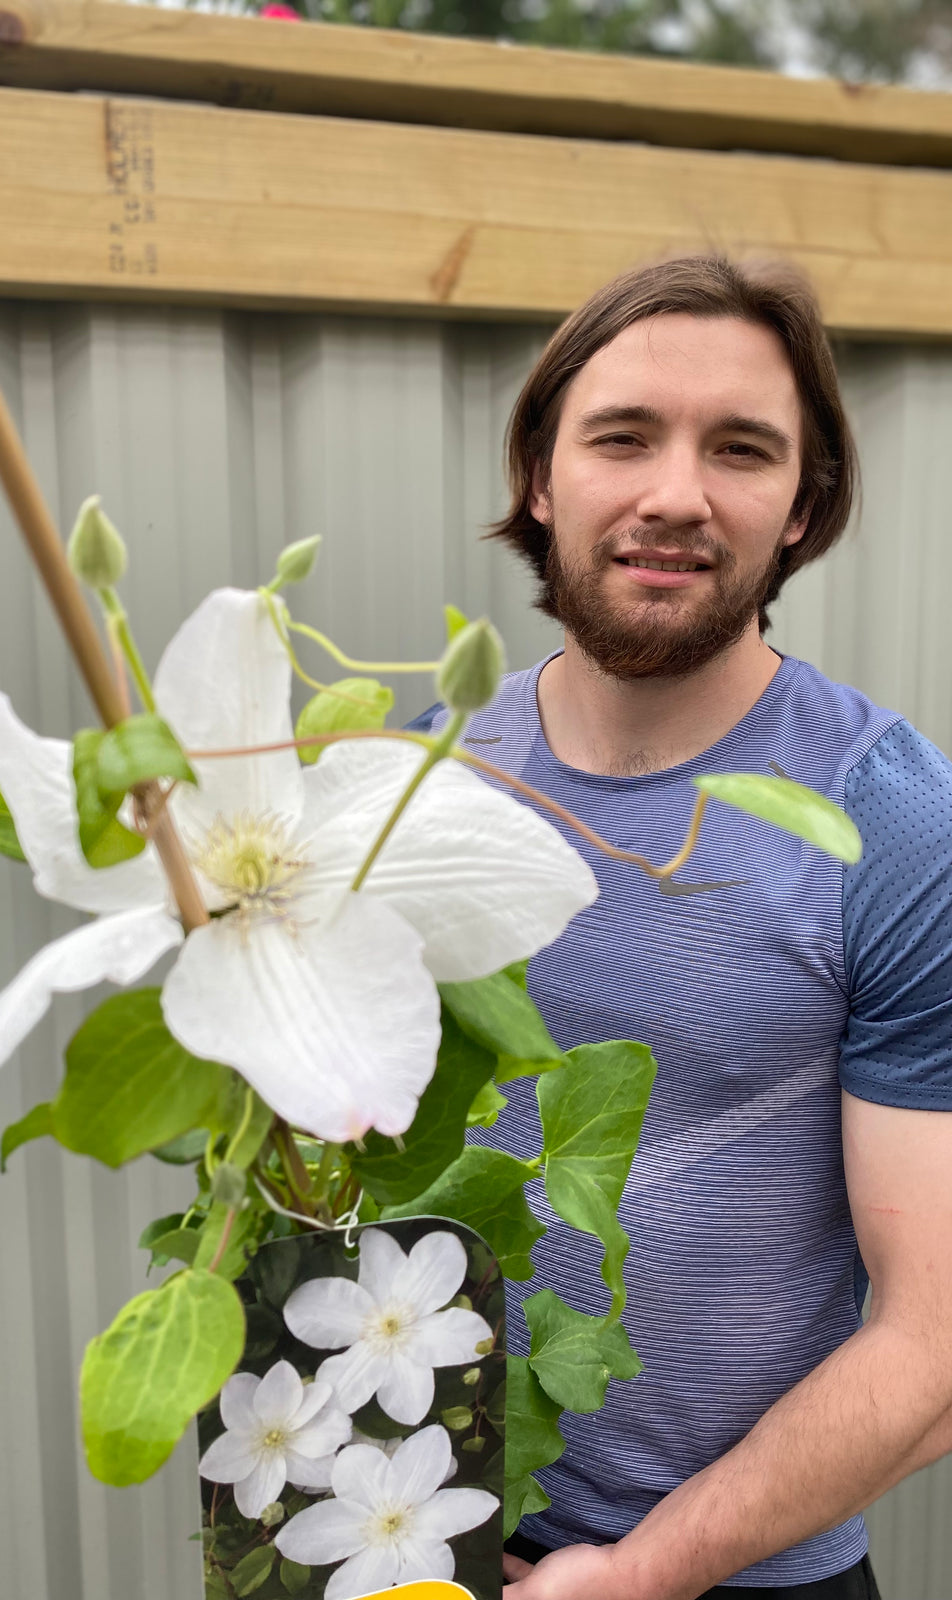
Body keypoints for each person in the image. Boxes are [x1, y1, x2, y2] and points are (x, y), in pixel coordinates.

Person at [412, 256, 952, 1600]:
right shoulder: (413, 786)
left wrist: (646, 1572)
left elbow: (935, 1343)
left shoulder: (884, 821)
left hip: (746, 1571)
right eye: (623, 437)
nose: (674, 494)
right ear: (543, 476)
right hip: (420, 1527)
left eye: (742, 449)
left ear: (802, 504)